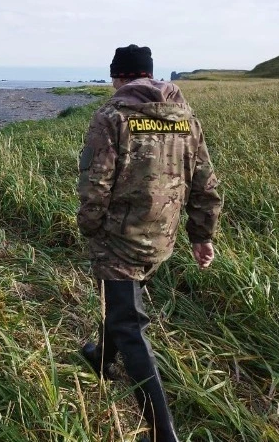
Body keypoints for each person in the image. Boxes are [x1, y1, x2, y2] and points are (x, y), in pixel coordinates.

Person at [77, 45, 222, 442]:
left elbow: (95, 184)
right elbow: (204, 182)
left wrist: (89, 226)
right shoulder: (184, 118)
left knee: (129, 324)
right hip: (163, 237)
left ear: (121, 77)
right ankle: (101, 358)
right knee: (121, 304)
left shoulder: (112, 116)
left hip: (119, 240)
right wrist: (202, 235)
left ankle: (162, 433)